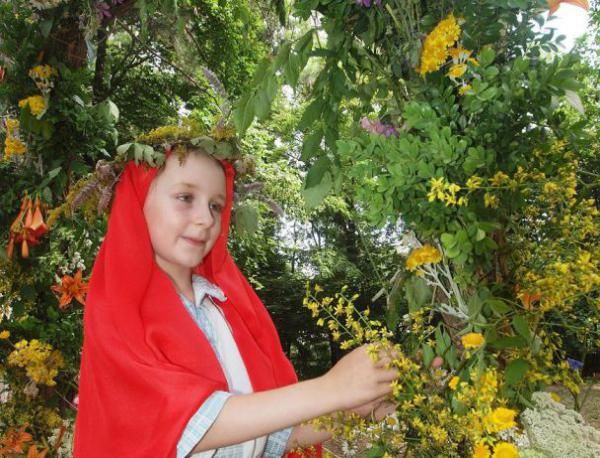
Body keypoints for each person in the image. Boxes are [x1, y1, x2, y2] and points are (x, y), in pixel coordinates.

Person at [73, 147, 398, 457]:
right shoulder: (118, 311)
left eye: (216, 205)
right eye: (185, 198)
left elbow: (268, 436)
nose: (205, 218)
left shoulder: (223, 308)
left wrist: (356, 408)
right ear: (138, 199)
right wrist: (332, 389)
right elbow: (178, 426)